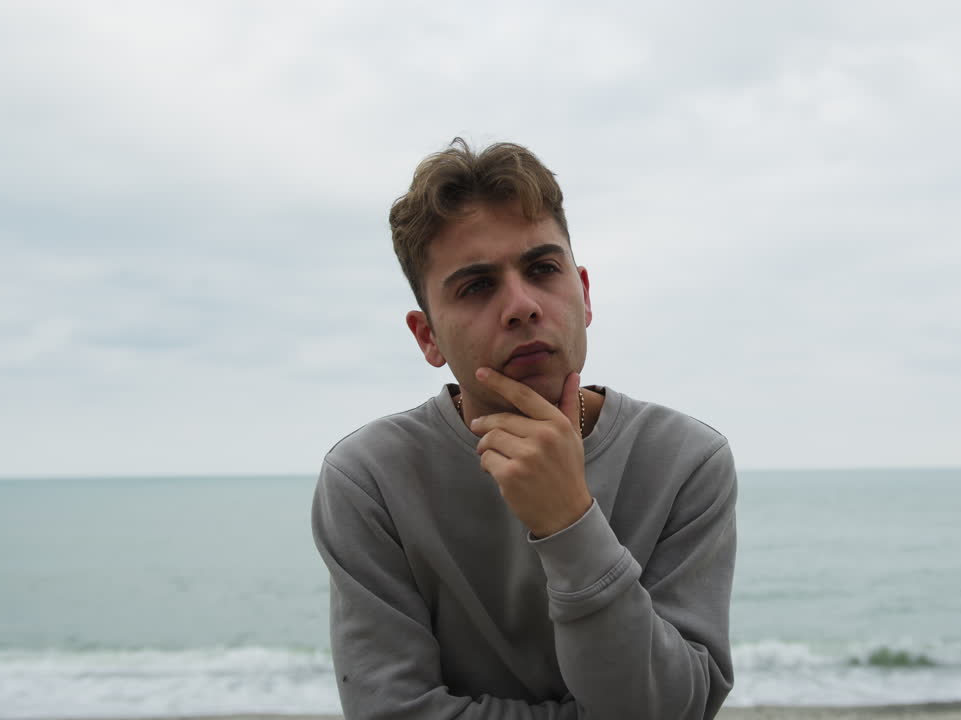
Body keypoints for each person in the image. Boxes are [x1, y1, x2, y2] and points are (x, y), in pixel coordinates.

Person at [311, 139, 737, 719]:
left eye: (542, 269)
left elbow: (676, 707)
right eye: (477, 286)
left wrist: (570, 524)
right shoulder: (370, 479)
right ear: (427, 336)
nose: (521, 305)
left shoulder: (686, 461)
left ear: (583, 293)